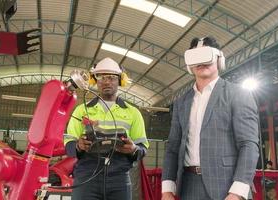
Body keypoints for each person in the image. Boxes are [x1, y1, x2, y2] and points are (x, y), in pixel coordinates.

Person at [162, 36, 259, 200]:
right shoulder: (181, 102)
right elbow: (173, 147)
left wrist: (237, 191)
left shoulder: (238, 95)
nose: (201, 62)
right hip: (188, 186)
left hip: (227, 186)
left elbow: (248, 145)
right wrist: (167, 189)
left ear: (219, 59)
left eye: (206, 55)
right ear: (189, 64)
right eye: (195, 57)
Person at [64, 57, 149, 200]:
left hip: (119, 179)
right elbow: (68, 144)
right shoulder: (81, 110)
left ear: (120, 80)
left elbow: (143, 148)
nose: (107, 82)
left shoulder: (133, 113)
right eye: (102, 77)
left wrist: (134, 149)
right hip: (87, 178)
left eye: (111, 77)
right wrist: (78, 146)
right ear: (95, 80)